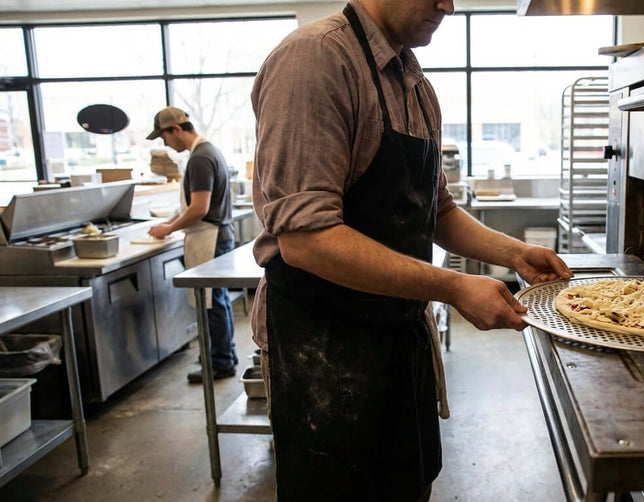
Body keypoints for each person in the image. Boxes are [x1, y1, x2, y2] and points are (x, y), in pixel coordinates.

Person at [250, 0, 572, 499]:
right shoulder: (315, 59)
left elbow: (436, 209)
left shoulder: (415, 85)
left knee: (408, 485)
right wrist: (454, 285)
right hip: (326, 349)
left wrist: (513, 254)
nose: (448, 4)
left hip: (397, 340)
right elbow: (306, 240)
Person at [146, 106, 238, 383]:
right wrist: (170, 223)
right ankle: (225, 356)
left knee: (211, 303)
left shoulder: (200, 158)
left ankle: (220, 363)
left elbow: (199, 208)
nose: (165, 145)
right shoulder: (207, 152)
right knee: (217, 300)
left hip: (210, 237)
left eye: (164, 137)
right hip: (214, 234)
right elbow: (190, 205)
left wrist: (170, 228)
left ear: (176, 129)